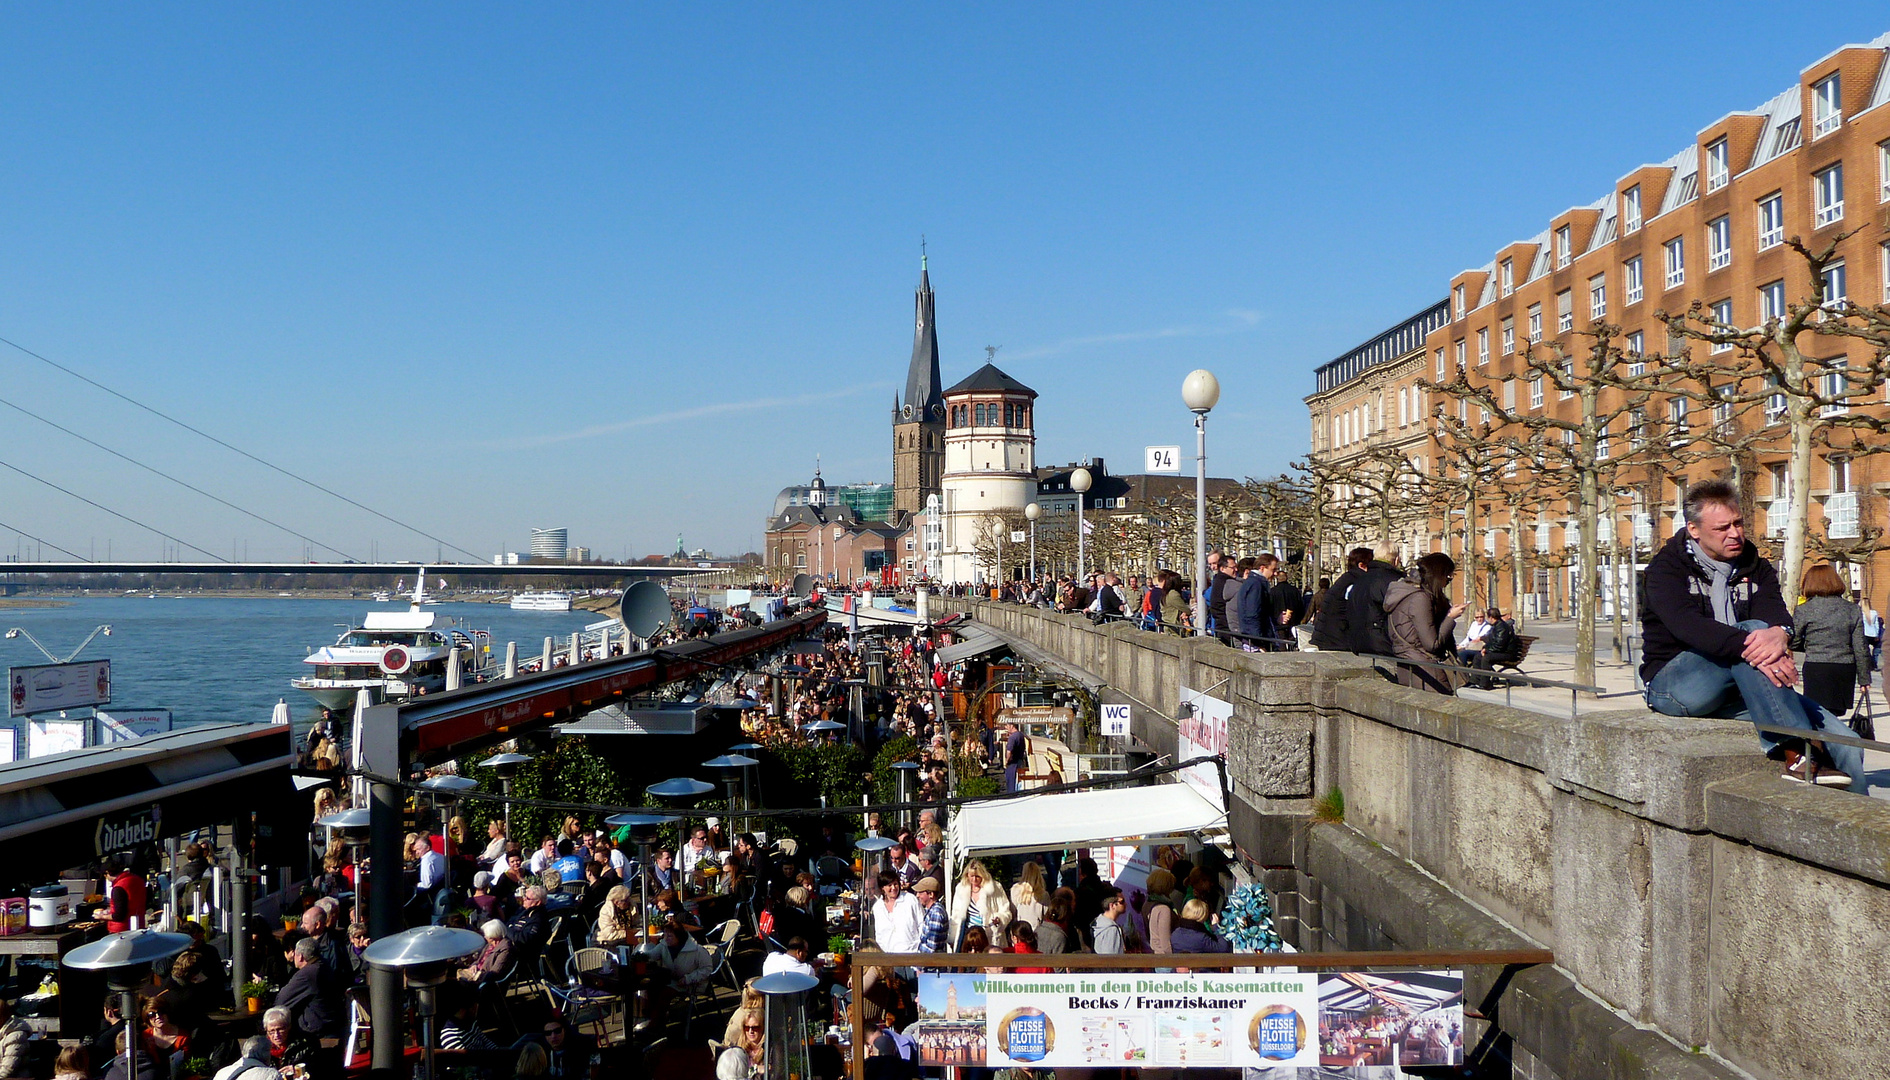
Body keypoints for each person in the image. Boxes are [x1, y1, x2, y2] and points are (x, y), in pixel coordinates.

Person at [1642, 479, 1866, 790]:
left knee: (1847, 742)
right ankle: (1798, 750)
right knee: (1752, 631)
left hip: (1745, 684)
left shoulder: (1755, 566)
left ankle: (1855, 826)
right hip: (1674, 687)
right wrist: (1766, 649)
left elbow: (1777, 615)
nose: (1734, 533)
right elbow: (1688, 627)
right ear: (1694, 529)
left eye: (1738, 523)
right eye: (1722, 528)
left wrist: (1782, 637)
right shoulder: (1665, 569)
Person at [1791, 563, 1869, 723]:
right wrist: (1864, 679)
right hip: (1844, 668)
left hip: (1816, 666)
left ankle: (1819, 746)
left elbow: (1793, 641)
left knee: (1816, 715)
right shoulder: (1852, 609)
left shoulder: (1804, 609)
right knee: (1835, 715)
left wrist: (1808, 645)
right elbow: (1860, 647)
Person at [1385, 553, 1464, 695]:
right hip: (1425, 672)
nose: (1447, 582)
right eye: (1448, 577)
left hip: (1409, 666)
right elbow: (1432, 644)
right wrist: (1451, 617)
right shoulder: (1420, 598)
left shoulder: (1404, 594)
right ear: (1438, 575)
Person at [1345, 543, 1402, 657]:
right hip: (1382, 644)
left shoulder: (1359, 580)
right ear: (1396, 560)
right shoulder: (1394, 581)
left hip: (1358, 643)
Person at [1313, 548, 1374, 652]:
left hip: (1329, 637)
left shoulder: (1346, 579)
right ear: (1362, 566)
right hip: (1337, 641)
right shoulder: (1355, 583)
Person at [275, 938, 334, 1036]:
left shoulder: (306, 974)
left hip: (315, 1030)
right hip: (331, 1023)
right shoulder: (324, 965)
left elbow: (281, 1001)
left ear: (300, 957)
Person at [948, 860, 1011, 951]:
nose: (974, 879)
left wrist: (999, 919)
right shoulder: (960, 889)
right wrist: (952, 937)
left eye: (977, 876)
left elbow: (1006, 911)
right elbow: (955, 914)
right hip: (968, 937)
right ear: (967, 875)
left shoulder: (996, 888)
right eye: (971, 876)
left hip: (988, 936)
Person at [870, 872, 923, 954]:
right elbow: (879, 934)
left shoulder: (910, 900)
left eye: (895, 884)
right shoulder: (878, 907)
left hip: (912, 954)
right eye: (889, 885)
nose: (893, 888)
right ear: (882, 888)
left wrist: (920, 948)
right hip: (888, 956)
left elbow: (922, 924)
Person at [459, 919, 513, 984]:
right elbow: (478, 960)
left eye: (486, 935)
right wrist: (474, 965)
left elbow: (495, 972)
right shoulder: (489, 945)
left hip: (483, 980)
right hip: (476, 973)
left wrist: (477, 975)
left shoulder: (505, 949)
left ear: (493, 936)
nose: (484, 937)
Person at [716, 1015, 764, 1079]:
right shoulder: (736, 1050)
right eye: (747, 1027)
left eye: (755, 1028)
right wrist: (755, 1069)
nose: (750, 1031)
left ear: (763, 1028)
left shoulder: (769, 1049)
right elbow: (736, 1074)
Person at [913, 877, 949, 953]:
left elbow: (932, 946)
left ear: (931, 894)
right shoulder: (931, 910)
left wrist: (919, 960)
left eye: (920, 892)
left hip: (931, 962)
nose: (917, 895)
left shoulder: (936, 913)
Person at [1091, 888, 1127, 955]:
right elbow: (1111, 961)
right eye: (1122, 902)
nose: (1126, 904)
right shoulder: (1111, 929)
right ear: (1112, 905)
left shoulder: (1099, 922)